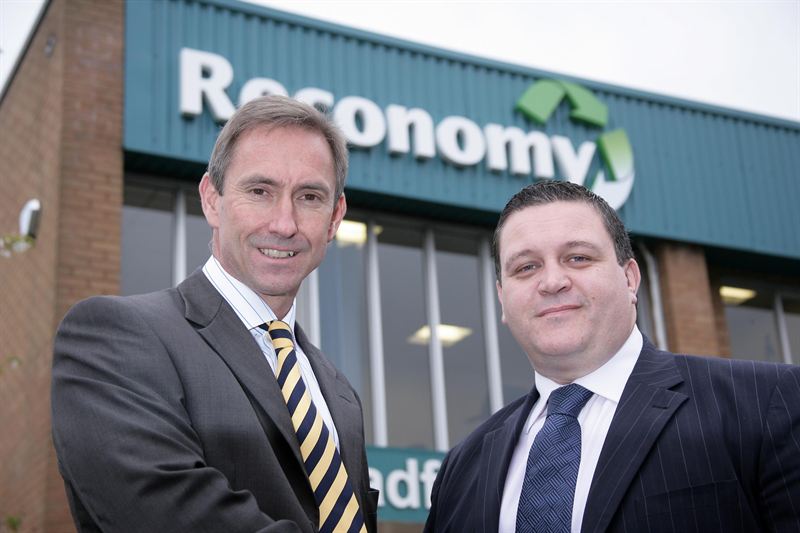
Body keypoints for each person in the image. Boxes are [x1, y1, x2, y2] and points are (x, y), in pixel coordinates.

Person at [52, 95, 378, 533]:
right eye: (259, 192)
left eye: (309, 196)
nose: (284, 223)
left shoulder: (338, 393)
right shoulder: (114, 338)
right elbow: (169, 513)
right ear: (211, 199)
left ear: (335, 218)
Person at [424, 180, 800, 532]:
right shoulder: (461, 468)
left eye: (578, 258)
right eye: (526, 267)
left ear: (629, 278)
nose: (552, 282)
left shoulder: (765, 403)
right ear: (502, 298)